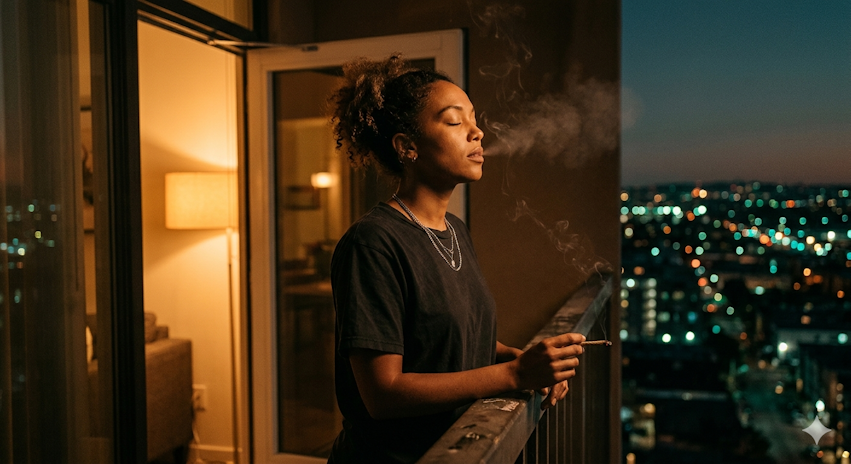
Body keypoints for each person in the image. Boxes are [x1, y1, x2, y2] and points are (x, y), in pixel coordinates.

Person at [326, 54, 585, 464]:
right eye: (454, 121)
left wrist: (517, 357)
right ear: (407, 147)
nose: (477, 132)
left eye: (474, 119)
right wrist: (513, 376)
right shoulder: (373, 243)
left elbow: (445, 337)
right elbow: (383, 394)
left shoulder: (456, 231)